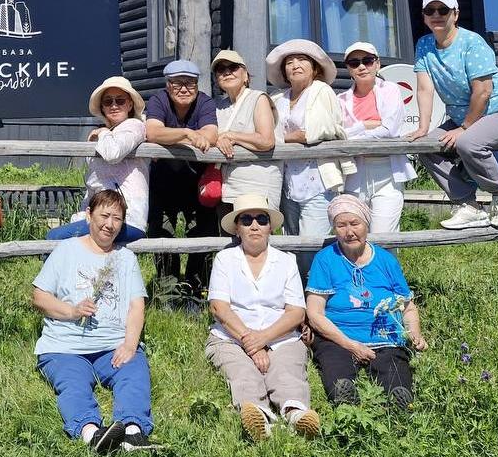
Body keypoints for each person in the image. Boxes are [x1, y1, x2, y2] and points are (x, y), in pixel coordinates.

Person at [33, 190, 154, 453]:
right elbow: (39, 296)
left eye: (117, 219)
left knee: (134, 372)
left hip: (111, 345)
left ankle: (133, 431)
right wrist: (72, 311)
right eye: (105, 216)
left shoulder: (126, 258)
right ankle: (92, 433)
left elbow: (136, 304)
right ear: (89, 215)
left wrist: (130, 344)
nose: (110, 224)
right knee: (72, 383)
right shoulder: (65, 250)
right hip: (65, 346)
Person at [406, 0, 498, 230]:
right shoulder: (424, 45)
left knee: (468, 143)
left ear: (455, 14)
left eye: (443, 10)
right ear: (423, 16)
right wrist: (423, 127)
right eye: (430, 10)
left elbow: (483, 91)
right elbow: (424, 89)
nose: (436, 15)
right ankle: (468, 204)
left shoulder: (472, 42)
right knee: (424, 147)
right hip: (466, 116)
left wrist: (465, 128)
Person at [205, 194, 320, 442]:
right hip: (232, 338)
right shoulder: (225, 259)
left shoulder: (287, 261)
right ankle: (259, 416)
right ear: (237, 228)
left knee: (288, 370)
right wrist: (250, 341)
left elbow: (296, 312)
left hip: (281, 336)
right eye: (246, 220)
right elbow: (219, 308)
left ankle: (296, 413)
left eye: (261, 219)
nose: (254, 225)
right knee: (242, 372)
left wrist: (263, 339)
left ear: (270, 226)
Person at [305, 195, 427, 407]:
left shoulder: (386, 260)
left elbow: (408, 307)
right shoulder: (325, 259)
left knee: (392, 361)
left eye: (355, 223)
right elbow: (315, 313)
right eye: (340, 225)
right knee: (334, 359)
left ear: (366, 224)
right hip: (339, 336)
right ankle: (344, 395)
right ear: (334, 229)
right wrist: (350, 345)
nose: (349, 231)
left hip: (384, 337)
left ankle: (398, 397)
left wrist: (414, 333)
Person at [265, 39, 355, 244]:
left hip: (317, 180)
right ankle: (296, 277)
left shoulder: (321, 90)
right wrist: (289, 137)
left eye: (302, 60)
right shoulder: (278, 98)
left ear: (315, 69)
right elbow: (267, 134)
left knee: (312, 243)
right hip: (287, 180)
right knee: (291, 240)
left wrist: (282, 138)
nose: (295, 65)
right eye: (289, 62)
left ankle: (313, 277)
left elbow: (321, 129)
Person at [143, 59, 219, 299]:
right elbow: (153, 132)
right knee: (161, 234)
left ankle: (196, 289)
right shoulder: (158, 100)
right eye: (177, 83)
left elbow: (211, 135)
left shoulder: (205, 101)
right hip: (162, 183)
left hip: (196, 184)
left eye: (190, 83)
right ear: (168, 85)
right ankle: (168, 291)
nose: (184, 88)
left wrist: (171, 137)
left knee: (202, 234)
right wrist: (187, 133)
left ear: (197, 85)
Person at [47, 77, 149, 242]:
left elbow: (113, 153)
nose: (114, 105)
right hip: (100, 216)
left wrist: (102, 133)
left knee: (55, 238)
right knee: (65, 242)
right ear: (102, 107)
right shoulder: (107, 133)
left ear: (130, 104)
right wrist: (83, 214)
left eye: (120, 100)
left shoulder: (133, 126)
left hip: (127, 218)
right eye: (108, 102)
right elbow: (94, 183)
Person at [337, 42, 416, 235]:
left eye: (367, 61)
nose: (362, 66)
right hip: (354, 172)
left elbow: (389, 130)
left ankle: (386, 267)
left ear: (377, 64)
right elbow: (338, 135)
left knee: (383, 235)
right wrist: (366, 125)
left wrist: (352, 137)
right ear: (348, 68)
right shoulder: (340, 100)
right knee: (355, 235)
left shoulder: (390, 90)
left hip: (387, 170)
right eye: (355, 63)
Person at [211, 50, 281, 210]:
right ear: (217, 79)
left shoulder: (258, 98)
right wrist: (219, 139)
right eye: (221, 69)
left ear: (246, 76)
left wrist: (232, 136)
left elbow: (267, 141)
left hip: (256, 186)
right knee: (228, 234)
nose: (227, 72)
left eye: (233, 67)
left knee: (256, 232)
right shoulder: (218, 106)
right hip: (226, 187)